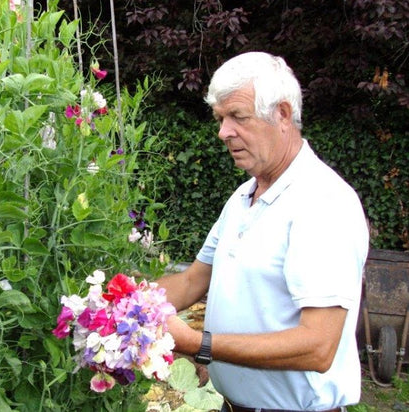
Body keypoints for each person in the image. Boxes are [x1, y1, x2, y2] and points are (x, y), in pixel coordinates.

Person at [156, 52, 370, 412]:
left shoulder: (323, 202)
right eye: (220, 119)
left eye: (238, 116)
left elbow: (318, 346)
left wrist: (198, 343)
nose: (224, 132)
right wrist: (124, 304)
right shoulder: (243, 197)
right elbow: (193, 280)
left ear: (282, 115)